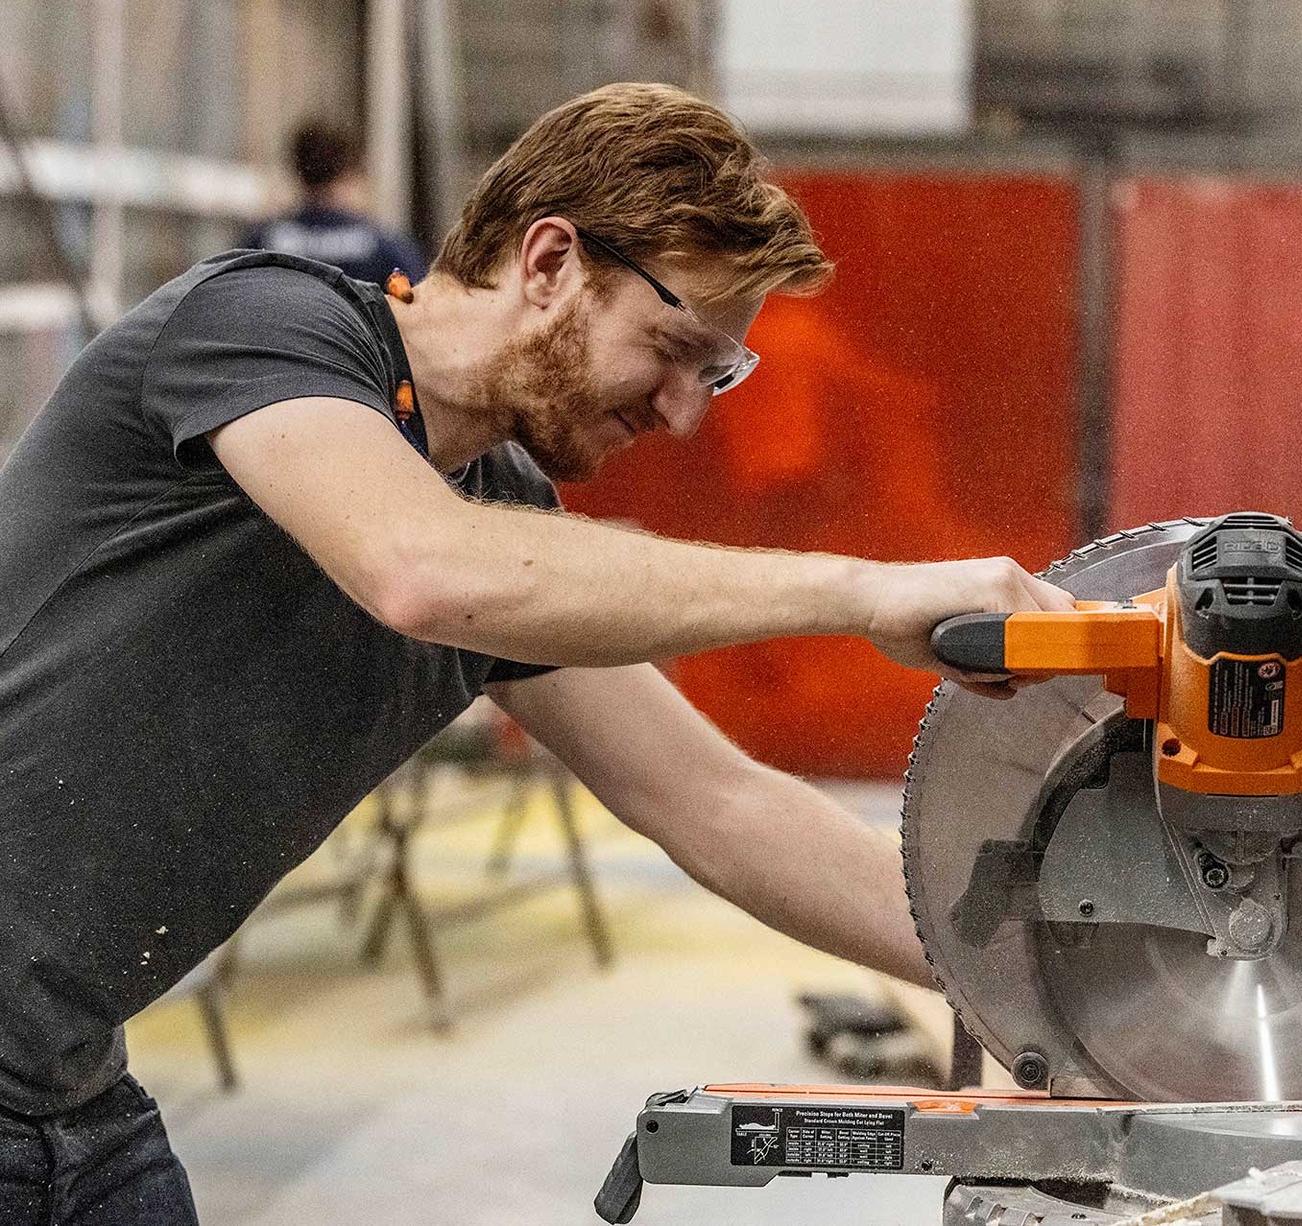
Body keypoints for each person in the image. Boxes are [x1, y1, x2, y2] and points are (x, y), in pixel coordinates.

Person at [0, 82, 1075, 1223]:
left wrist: (1041, 975)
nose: (681, 413)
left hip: (66, 1092)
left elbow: (719, 804)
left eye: (717, 373)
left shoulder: (500, 514)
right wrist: (859, 590)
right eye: (673, 348)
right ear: (550, 259)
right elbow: (419, 567)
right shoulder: (263, 325)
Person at [241, 118, 430, 285]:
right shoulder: (383, 247)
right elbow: (416, 303)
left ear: (297, 172)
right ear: (349, 173)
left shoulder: (261, 242)